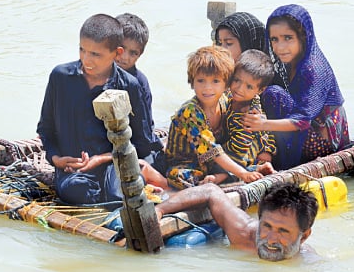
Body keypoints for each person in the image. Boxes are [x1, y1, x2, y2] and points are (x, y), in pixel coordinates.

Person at [36, 13, 163, 205]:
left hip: (113, 161)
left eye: (96, 54)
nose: (87, 60)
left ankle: (142, 174)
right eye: (82, 50)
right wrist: (56, 159)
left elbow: (141, 143)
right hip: (74, 167)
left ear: (116, 53)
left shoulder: (130, 85)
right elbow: (45, 128)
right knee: (74, 192)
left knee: (117, 197)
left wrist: (100, 159)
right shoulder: (60, 77)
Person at [244, 4, 350, 170]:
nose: (280, 47)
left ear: (303, 37)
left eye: (288, 38)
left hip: (324, 141)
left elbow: (302, 121)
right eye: (274, 39)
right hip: (309, 129)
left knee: (273, 95)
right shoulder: (291, 61)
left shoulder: (311, 67)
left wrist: (264, 124)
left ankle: (286, 164)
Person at [164, 45, 264, 189]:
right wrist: (243, 173)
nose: (207, 88)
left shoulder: (225, 99)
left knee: (249, 141)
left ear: (226, 84)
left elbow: (254, 98)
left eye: (215, 81)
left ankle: (223, 175)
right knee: (180, 177)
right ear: (192, 82)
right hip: (189, 164)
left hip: (213, 162)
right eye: (201, 81)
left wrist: (254, 112)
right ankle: (227, 175)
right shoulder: (190, 112)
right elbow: (212, 152)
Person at [155, 182, 318, 261]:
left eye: (283, 231)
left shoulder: (307, 262)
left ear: (304, 237)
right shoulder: (244, 233)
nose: (271, 238)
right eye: (267, 226)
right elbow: (210, 191)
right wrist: (159, 210)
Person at [114, 12, 169, 188]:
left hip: (137, 149)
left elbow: (144, 135)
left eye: (133, 53)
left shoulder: (138, 83)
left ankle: (167, 186)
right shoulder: (96, 75)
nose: (125, 57)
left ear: (140, 54)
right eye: (121, 48)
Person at [223, 49, 276, 174]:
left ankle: (257, 169)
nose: (239, 89)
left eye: (249, 86)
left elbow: (239, 150)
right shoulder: (230, 95)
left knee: (226, 165)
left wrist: (215, 151)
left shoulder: (247, 117)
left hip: (247, 152)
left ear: (260, 90)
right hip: (253, 143)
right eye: (236, 80)